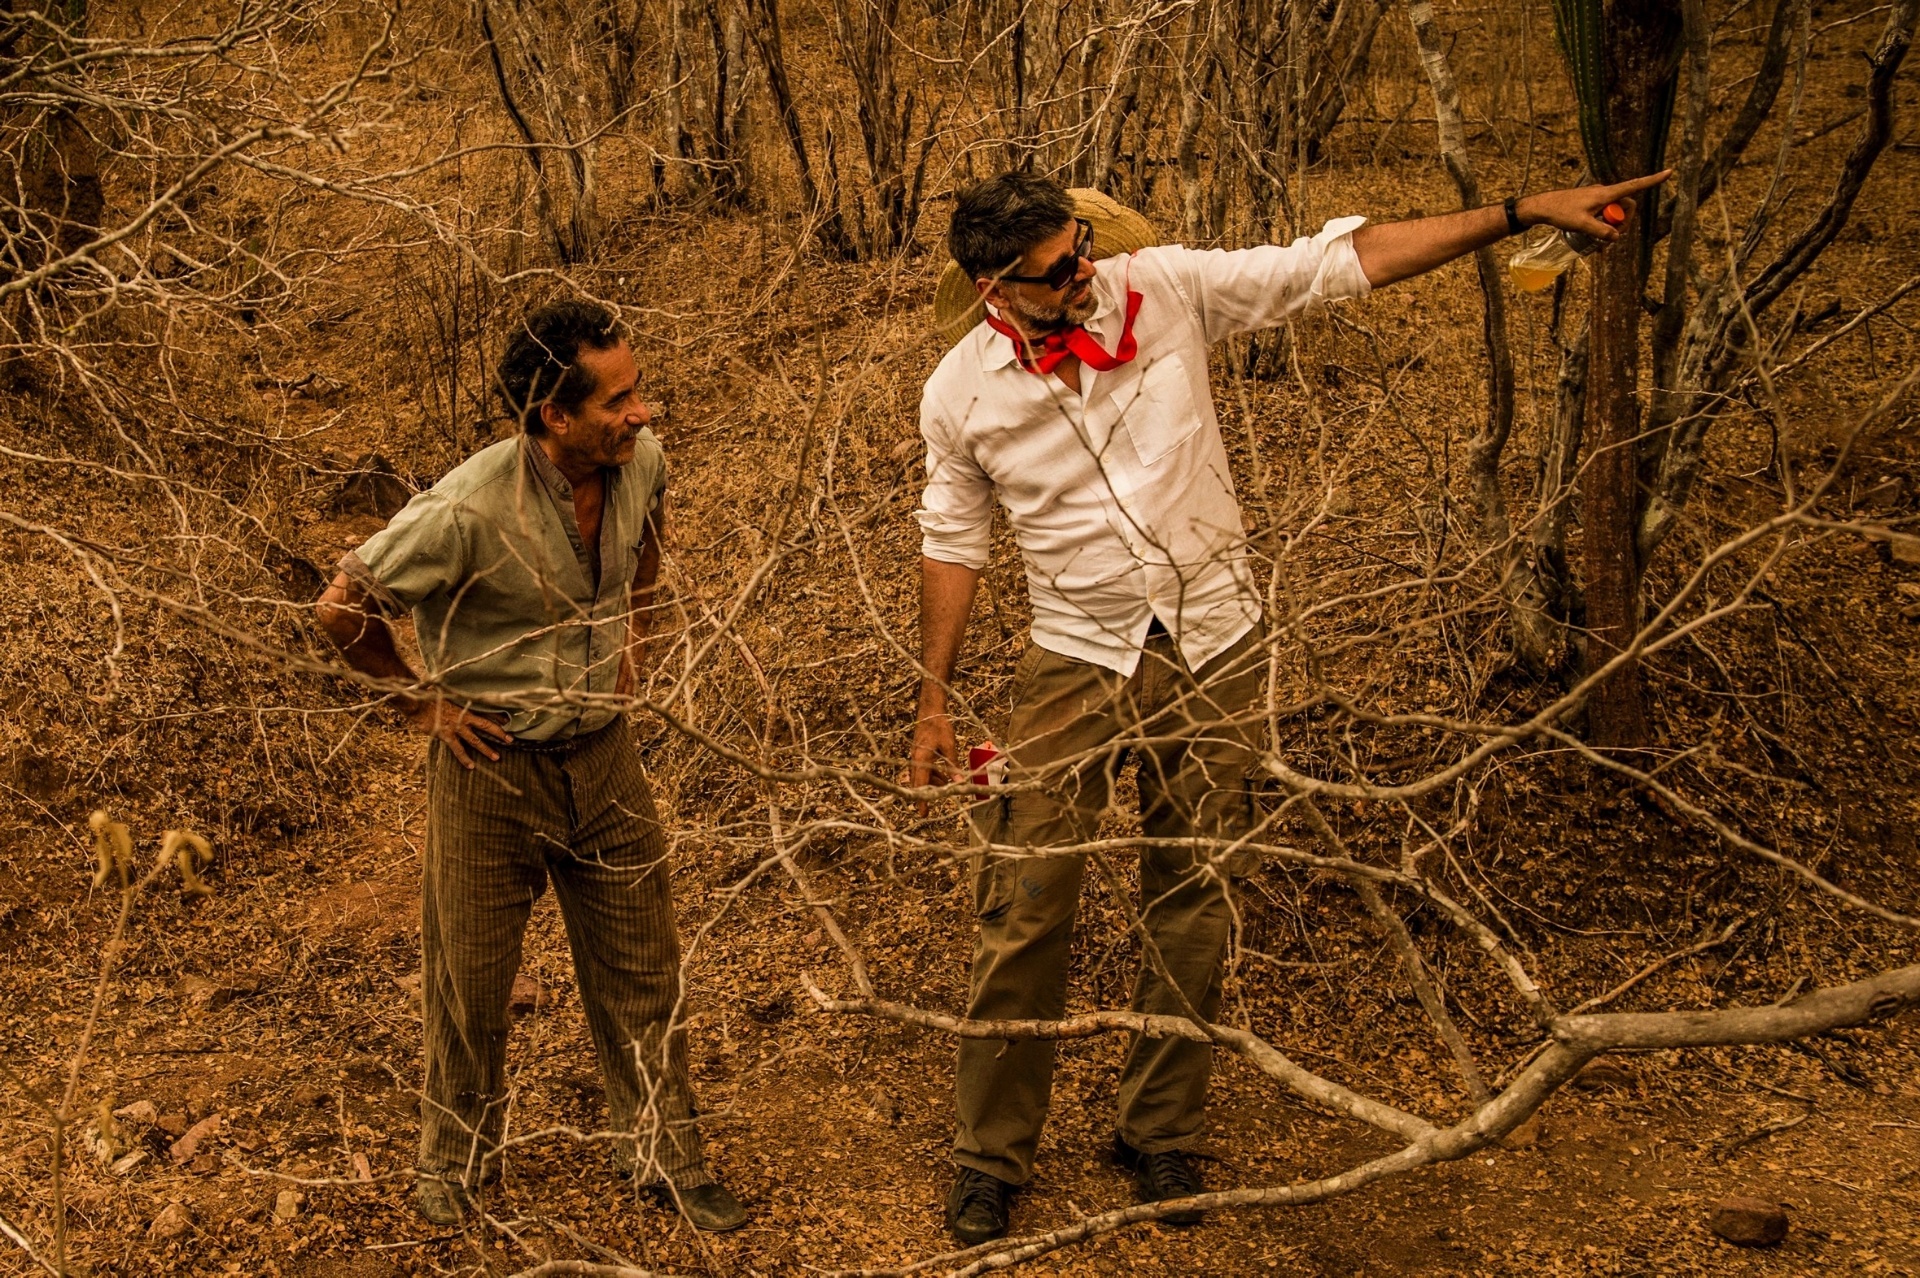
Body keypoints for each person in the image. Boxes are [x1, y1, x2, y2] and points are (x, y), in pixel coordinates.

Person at [910, 170, 1667, 1244]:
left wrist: (1517, 214)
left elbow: (1338, 263)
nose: (1087, 272)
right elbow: (953, 539)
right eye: (1059, 269)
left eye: (1083, 247)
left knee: (1197, 886)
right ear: (998, 288)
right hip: (1073, 655)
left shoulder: (1167, 289)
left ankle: (1159, 1132)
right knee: (1026, 901)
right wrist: (933, 702)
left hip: (1215, 640)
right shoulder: (960, 393)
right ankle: (990, 1155)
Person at [314, 300, 747, 1232]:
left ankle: (665, 1156)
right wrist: (421, 704)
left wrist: (637, 631)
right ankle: (455, 1160)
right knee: (469, 982)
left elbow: (650, 539)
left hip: (605, 756)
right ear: (554, 413)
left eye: (638, 391)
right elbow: (342, 606)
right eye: (618, 400)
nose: (641, 413)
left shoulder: (641, 462)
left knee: (643, 968)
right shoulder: (466, 507)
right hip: (492, 770)